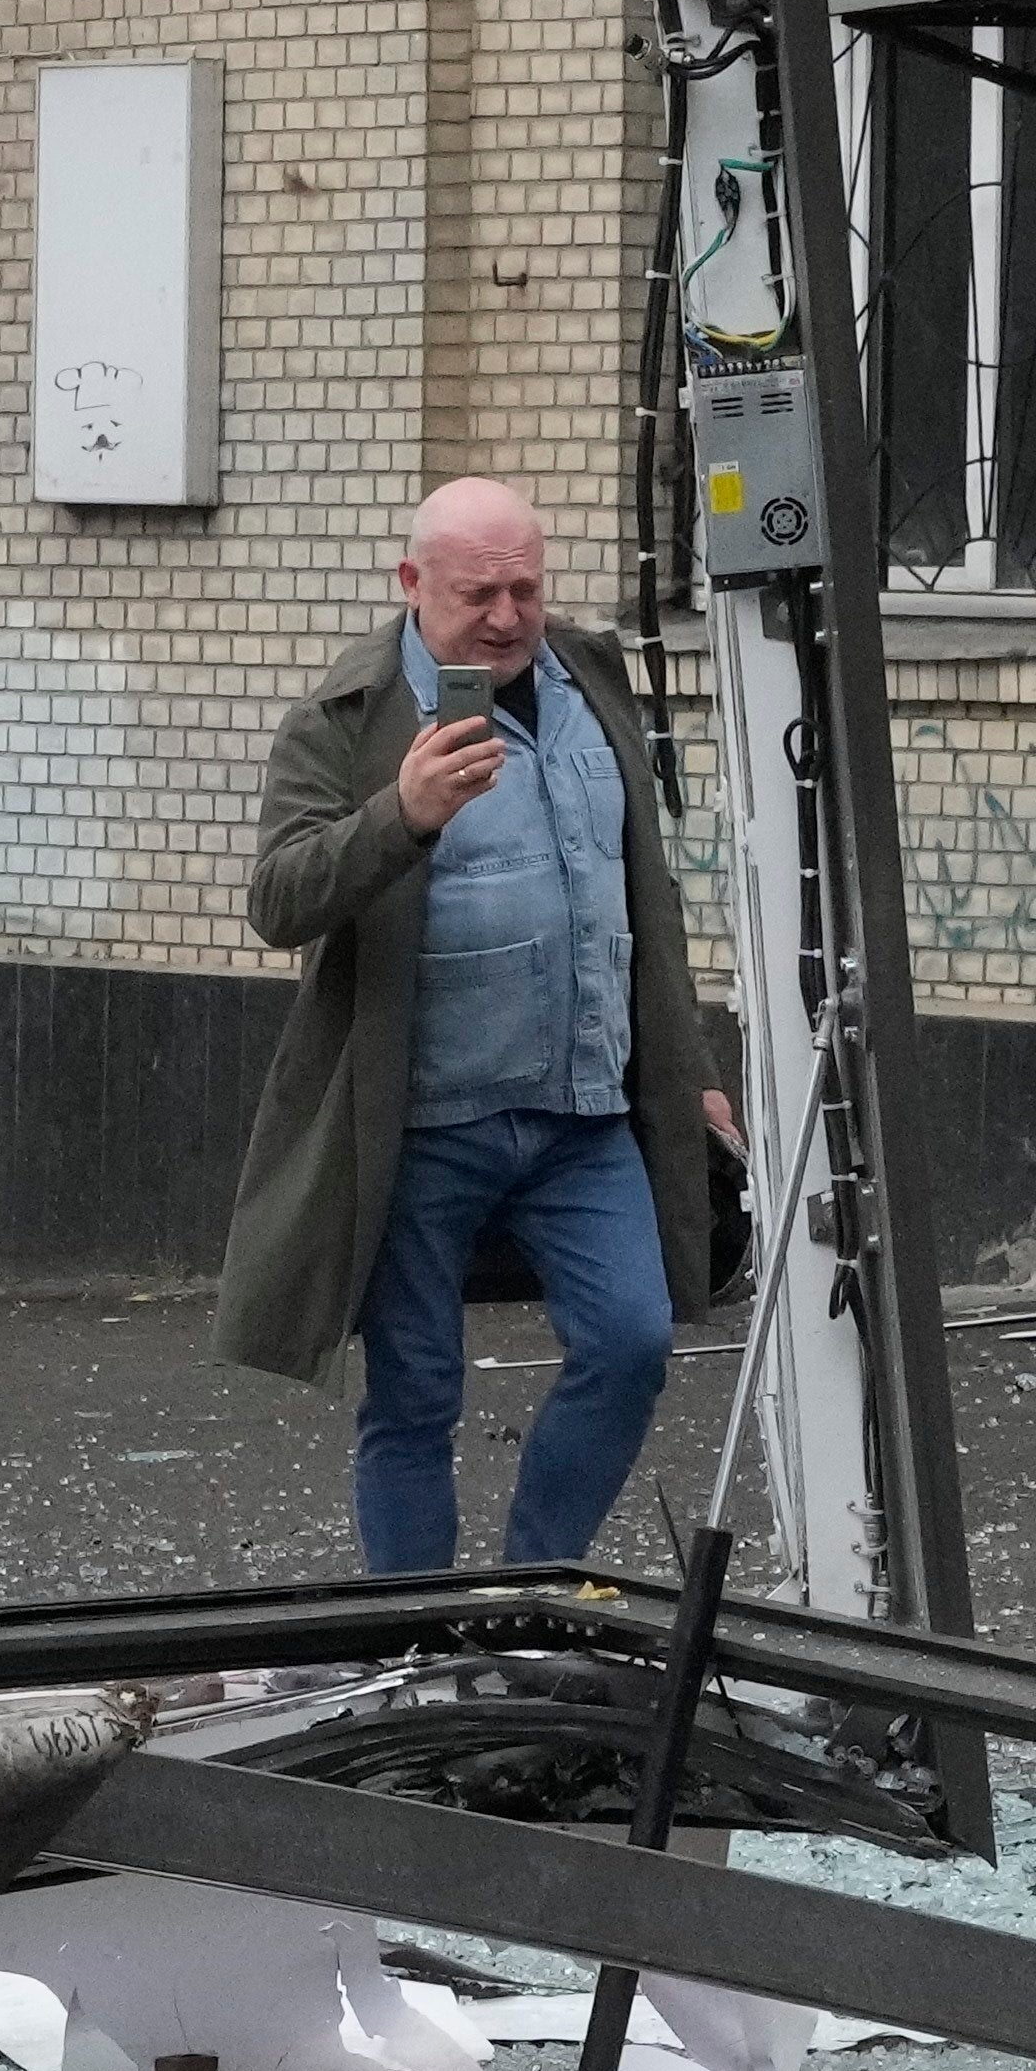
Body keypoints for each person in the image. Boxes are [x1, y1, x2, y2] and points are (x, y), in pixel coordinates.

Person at [224, 479, 730, 1576]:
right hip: (420, 1123)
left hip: (584, 1110)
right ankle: (415, 1636)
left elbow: (640, 898)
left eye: (525, 591)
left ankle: (527, 1588)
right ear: (412, 585)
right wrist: (400, 815)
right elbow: (279, 901)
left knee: (632, 1342)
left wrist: (687, 1068)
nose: (507, 618)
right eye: (477, 596)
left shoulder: (591, 679)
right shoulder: (346, 718)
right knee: (415, 1393)